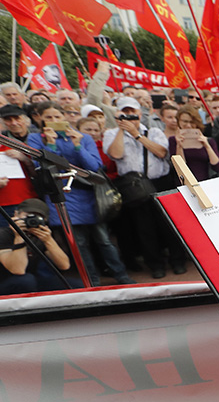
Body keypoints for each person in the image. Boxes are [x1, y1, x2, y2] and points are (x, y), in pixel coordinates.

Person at [29, 103, 134, 286]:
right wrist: (51, 145)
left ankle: (121, 275)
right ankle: (91, 281)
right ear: (40, 119)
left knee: (104, 240)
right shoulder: (36, 139)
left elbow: (95, 166)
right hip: (62, 196)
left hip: (90, 195)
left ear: (65, 118)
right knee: (79, 244)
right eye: (49, 117)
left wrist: (78, 145)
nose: (54, 121)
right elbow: (41, 168)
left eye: (57, 117)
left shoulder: (83, 137)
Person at [105, 96, 184, 279]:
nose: (130, 116)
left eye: (133, 113)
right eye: (125, 113)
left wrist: (136, 134)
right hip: (134, 187)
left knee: (169, 226)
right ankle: (156, 265)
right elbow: (116, 154)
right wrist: (121, 129)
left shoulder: (154, 131)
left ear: (140, 114)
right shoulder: (111, 133)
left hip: (159, 183)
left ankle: (177, 260)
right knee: (144, 229)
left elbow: (161, 152)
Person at [0, 198, 72, 294]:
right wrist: (19, 236)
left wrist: (48, 240)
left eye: (39, 217)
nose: (32, 220)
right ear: (16, 214)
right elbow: (18, 270)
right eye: (28, 216)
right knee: (26, 280)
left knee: (73, 284)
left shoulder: (41, 236)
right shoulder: (3, 234)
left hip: (30, 280)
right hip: (6, 282)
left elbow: (64, 265)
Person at [172, 105, 219, 182]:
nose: (188, 125)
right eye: (185, 121)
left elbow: (217, 166)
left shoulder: (209, 141)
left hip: (207, 182)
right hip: (185, 183)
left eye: (192, 122)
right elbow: (179, 168)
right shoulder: (173, 140)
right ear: (179, 121)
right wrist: (179, 146)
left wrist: (207, 145)